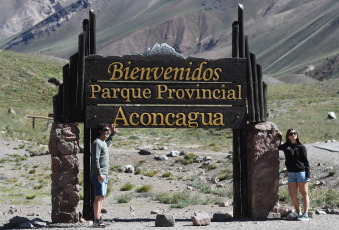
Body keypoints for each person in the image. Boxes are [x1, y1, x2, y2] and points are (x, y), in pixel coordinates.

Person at [278, 129, 310, 221]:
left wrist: (308, 175)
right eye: (291, 134)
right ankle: (299, 213)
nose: (293, 135)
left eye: (295, 133)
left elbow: (306, 162)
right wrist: (279, 137)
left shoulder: (301, 147)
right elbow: (278, 147)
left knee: (304, 194)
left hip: (301, 173)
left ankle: (306, 214)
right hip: (291, 173)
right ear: (288, 136)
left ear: (297, 135)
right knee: (292, 195)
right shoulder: (286, 146)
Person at [91, 123, 117, 227]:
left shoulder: (103, 142)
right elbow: (95, 159)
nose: (108, 132)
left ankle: (99, 218)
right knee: (98, 197)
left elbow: (108, 143)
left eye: (108, 130)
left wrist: (113, 134)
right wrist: (99, 173)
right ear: (100, 131)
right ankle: (96, 220)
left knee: (102, 197)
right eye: (106, 130)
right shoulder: (97, 143)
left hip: (104, 173)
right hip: (99, 174)